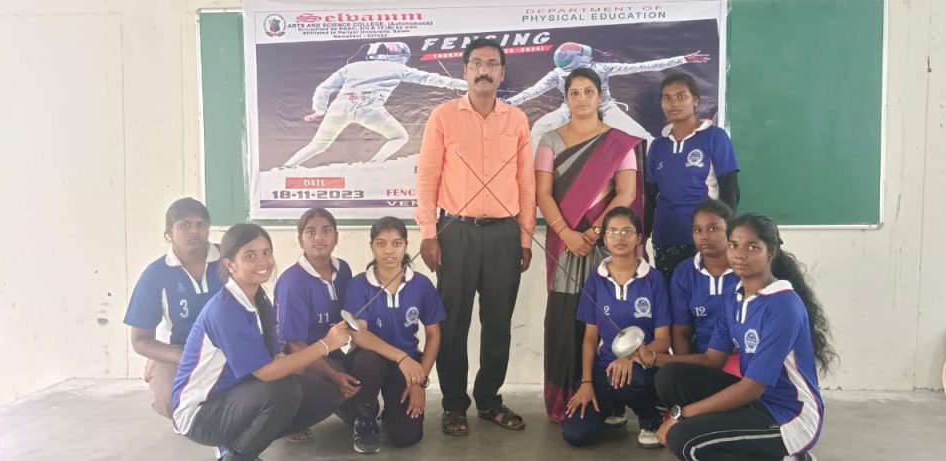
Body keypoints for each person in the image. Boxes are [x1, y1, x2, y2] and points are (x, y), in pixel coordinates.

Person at [636, 213, 837, 461]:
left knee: (684, 440)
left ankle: (789, 457)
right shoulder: (734, 296)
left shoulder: (783, 306)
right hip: (757, 402)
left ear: (770, 254)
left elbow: (751, 388)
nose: (740, 254)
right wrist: (655, 358)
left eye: (752, 247)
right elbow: (712, 360)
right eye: (733, 245)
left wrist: (681, 414)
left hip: (789, 416)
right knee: (669, 377)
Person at [415, 37, 536, 436]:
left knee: (498, 322)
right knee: (453, 323)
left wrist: (525, 238)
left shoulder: (517, 120)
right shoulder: (443, 116)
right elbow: (427, 178)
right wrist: (429, 234)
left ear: (502, 73)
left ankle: (489, 400)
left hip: (504, 233)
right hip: (456, 233)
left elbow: (526, 183)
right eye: (477, 64)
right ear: (465, 70)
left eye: (492, 64)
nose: (484, 70)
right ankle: (454, 405)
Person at [172, 224, 351, 461]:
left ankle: (240, 441)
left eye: (266, 252)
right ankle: (237, 455)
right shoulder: (225, 310)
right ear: (230, 264)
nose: (263, 261)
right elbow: (266, 373)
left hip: (239, 393)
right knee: (283, 391)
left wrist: (325, 372)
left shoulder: (258, 298)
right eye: (250, 256)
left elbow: (276, 357)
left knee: (325, 390)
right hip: (200, 413)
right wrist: (325, 344)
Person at [534, 67, 642, 422]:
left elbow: (626, 194)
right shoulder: (549, 140)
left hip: (605, 243)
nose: (581, 98)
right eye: (574, 92)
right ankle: (562, 399)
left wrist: (594, 232)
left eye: (588, 92)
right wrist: (566, 232)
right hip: (563, 243)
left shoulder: (619, 142)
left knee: (607, 315)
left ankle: (610, 400)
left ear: (600, 96)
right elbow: (543, 194)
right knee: (564, 318)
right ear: (566, 99)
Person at [562, 207, 671, 448]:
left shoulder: (654, 279)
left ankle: (650, 420)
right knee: (576, 434)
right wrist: (586, 383)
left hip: (642, 368)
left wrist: (631, 358)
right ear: (604, 238)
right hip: (604, 368)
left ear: (639, 238)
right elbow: (590, 338)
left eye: (626, 231)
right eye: (612, 231)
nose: (619, 237)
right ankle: (613, 407)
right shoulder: (595, 279)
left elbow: (664, 340)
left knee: (628, 379)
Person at [277, 41, 468, 168]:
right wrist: (465, 85)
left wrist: (320, 109)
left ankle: (287, 166)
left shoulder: (352, 66)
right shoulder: (398, 68)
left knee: (318, 144)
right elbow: (431, 79)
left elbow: (324, 88)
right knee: (399, 136)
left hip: (339, 107)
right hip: (369, 108)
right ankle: (374, 164)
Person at [343, 217, 445, 453]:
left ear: (406, 245)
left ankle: (391, 412)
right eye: (381, 243)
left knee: (406, 436)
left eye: (396, 243)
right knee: (368, 362)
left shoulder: (421, 285)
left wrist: (419, 381)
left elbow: (434, 335)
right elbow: (359, 335)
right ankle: (365, 418)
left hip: (406, 366)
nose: (389, 250)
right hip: (370, 361)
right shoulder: (358, 284)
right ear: (372, 246)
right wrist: (401, 357)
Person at [123, 198, 222, 419]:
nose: (194, 231)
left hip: (227, 345)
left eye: (200, 224)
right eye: (185, 225)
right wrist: (185, 356)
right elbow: (140, 340)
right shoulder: (156, 274)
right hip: (178, 351)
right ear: (169, 232)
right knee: (172, 400)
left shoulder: (229, 259)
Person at [507, 42, 710, 148]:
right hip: (569, 111)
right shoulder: (557, 73)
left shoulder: (601, 68)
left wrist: (682, 59)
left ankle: (661, 170)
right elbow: (533, 90)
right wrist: (509, 102)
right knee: (540, 127)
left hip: (604, 109)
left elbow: (643, 66)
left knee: (643, 138)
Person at [645, 72, 739, 282]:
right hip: (665, 237)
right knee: (670, 297)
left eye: (681, 96)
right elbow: (650, 196)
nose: (673, 103)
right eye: (667, 98)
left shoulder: (715, 137)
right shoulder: (658, 145)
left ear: (695, 100)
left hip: (705, 240)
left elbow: (730, 190)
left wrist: (727, 233)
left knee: (703, 297)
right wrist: (642, 237)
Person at [273, 208, 357, 442]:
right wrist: (334, 376)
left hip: (332, 353)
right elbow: (294, 345)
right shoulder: (292, 281)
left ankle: (336, 400)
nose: (319, 237)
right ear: (300, 240)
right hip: (300, 360)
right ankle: (290, 421)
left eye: (326, 231)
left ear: (336, 237)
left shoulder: (343, 270)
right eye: (310, 232)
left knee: (359, 402)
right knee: (332, 389)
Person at [670, 199, 739, 357]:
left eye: (712, 229)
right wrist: (686, 367)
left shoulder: (745, 268)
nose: (704, 236)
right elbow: (681, 332)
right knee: (667, 372)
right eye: (697, 230)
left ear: (730, 232)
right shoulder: (684, 272)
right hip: (701, 357)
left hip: (741, 358)